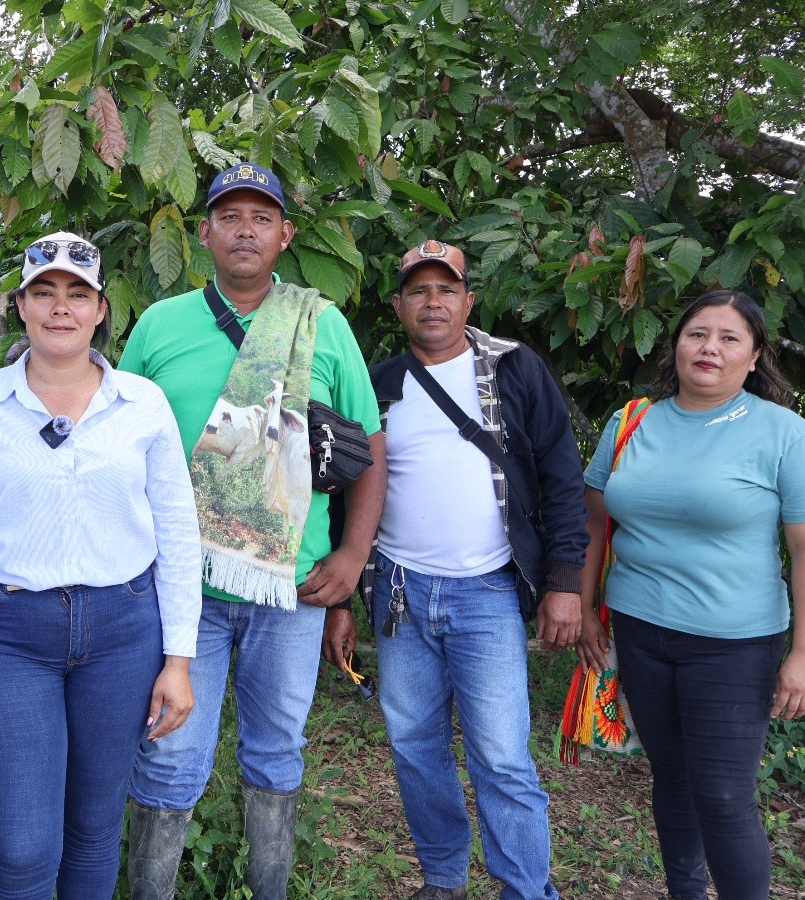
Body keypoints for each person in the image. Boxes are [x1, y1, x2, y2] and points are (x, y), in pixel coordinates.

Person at [122, 163, 387, 900]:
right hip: (180, 587)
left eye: (261, 217)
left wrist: (353, 554)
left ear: (285, 234)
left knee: (276, 753)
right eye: (229, 215)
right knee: (171, 757)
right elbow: (115, 440)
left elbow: (370, 446)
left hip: (292, 587)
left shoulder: (322, 324)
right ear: (202, 232)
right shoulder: (158, 325)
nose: (245, 229)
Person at [0, 231, 203, 899]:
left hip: (122, 631)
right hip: (12, 634)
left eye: (78, 294)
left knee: (96, 828)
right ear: (19, 306)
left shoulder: (142, 404)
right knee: (23, 848)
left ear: (101, 309)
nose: (60, 308)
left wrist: (179, 660)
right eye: (43, 293)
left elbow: (179, 533)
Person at [324, 239, 587, 900]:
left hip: (490, 593)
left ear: (468, 301)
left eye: (447, 289)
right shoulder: (378, 384)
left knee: (500, 756)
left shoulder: (514, 369)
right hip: (400, 592)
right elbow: (346, 489)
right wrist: (341, 600)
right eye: (419, 290)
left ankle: (526, 890)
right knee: (415, 748)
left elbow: (560, 476)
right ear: (399, 304)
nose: (433, 301)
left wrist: (564, 581)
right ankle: (443, 880)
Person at [578, 290, 805, 900]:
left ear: (755, 356)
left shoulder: (785, 435)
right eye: (698, 334)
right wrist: (587, 608)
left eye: (728, 338)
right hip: (640, 629)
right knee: (670, 778)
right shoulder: (632, 420)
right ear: (676, 344)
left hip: (733, 643)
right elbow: (592, 524)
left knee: (721, 794)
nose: (710, 348)